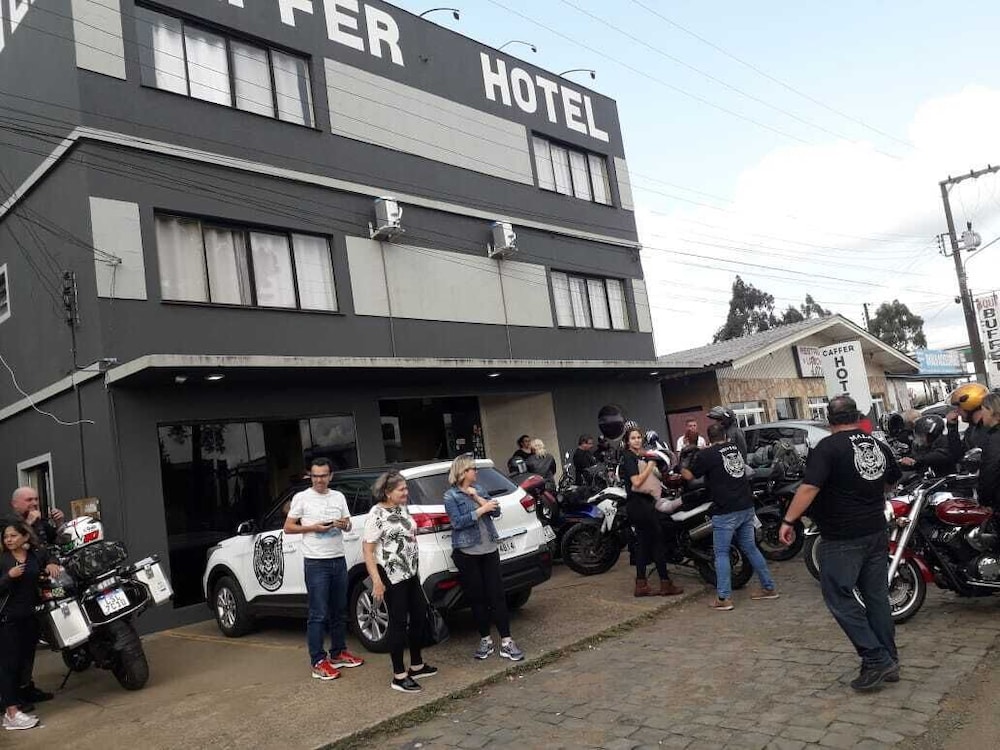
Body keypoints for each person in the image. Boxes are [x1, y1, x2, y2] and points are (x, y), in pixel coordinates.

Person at [780, 395, 902, 692]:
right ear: (857, 416)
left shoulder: (828, 448)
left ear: (830, 420)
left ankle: (875, 658)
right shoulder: (877, 444)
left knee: (838, 596)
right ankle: (889, 658)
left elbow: (809, 488)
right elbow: (891, 481)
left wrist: (788, 521)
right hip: (876, 529)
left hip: (843, 536)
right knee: (876, 597)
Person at [283, 458, 365, 681]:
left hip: (338, 559)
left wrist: (343, 525)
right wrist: (314, 528)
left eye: (323, 475)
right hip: (316, 562)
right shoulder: (301, 498)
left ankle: (338, 652)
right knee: (318, 613)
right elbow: (288, 527)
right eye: (315, 476)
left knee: (339, 610)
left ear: (331, 476)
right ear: (310, 476)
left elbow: (348, 524)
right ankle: (318, 661)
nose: (319, 480)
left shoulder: (338, 496)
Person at [682, 423, 779, 610]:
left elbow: (689, 476)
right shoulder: (733, 449)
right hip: (746, 506)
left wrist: (682, 465)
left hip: (726, 510)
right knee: (750, 548)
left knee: (721, 554)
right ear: (725, 436)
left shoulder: (707, 455)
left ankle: (723, 598)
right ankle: (769, 588)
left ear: (709, 438)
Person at [443, 455, 524, 662]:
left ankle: (507, 641)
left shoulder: (479, 489)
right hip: (468, 552)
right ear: (462, 472)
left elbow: (496, 512)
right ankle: (485, 639)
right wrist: (480, 510)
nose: (476, 472)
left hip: (489, 548)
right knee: (477, 597)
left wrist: (478, 498)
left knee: (497, 595)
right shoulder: (450, 496)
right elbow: (457, 523)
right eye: (472, 469)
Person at [363, 471, 436, 693]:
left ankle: (416, 665)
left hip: (410, 572)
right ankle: (399, 675)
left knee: (419, 615)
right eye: (401, 489)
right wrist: (377, 581)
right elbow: (368, 550)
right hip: (391, 575)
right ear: (387, 492)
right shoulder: (376, 514)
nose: (406, 492)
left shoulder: (401, 508)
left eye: (406, 488)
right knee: (398, 623)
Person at [1, 520, 60, 730]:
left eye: (13, 536)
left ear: (25, 536)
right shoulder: (3, 560)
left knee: (24, 662)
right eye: (6, 537)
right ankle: (11, 713)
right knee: (8, 665)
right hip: (8, 619)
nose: (9, 540)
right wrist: (8, 577)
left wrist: (51, 563)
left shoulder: (34, 555)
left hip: (31, 617)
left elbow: (49, 555)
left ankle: (18, 700)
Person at [620, 427, 684, 598]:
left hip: (643, 504)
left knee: (643, 545)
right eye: (633, 438)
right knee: (657, 543)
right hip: (640, 505)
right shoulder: (628, 457)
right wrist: (650, 466)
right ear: (627, 441)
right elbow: (636, 481)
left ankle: (642, 584)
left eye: (638, 437)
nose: (637, 440)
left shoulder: (638, 455)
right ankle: (664, 583)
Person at [948, 383, 991, 456]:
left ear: (969, 406)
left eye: (959, 407)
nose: (957, 411)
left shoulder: (991, 428)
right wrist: (952, 428)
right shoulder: (971, 430)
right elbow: (959, 454)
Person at [976, 393, 1000, 512]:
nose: (981, 414)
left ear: (991, 410)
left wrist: (984, 500)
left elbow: (990, 469)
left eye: (982, 410)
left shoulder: (995, 437)